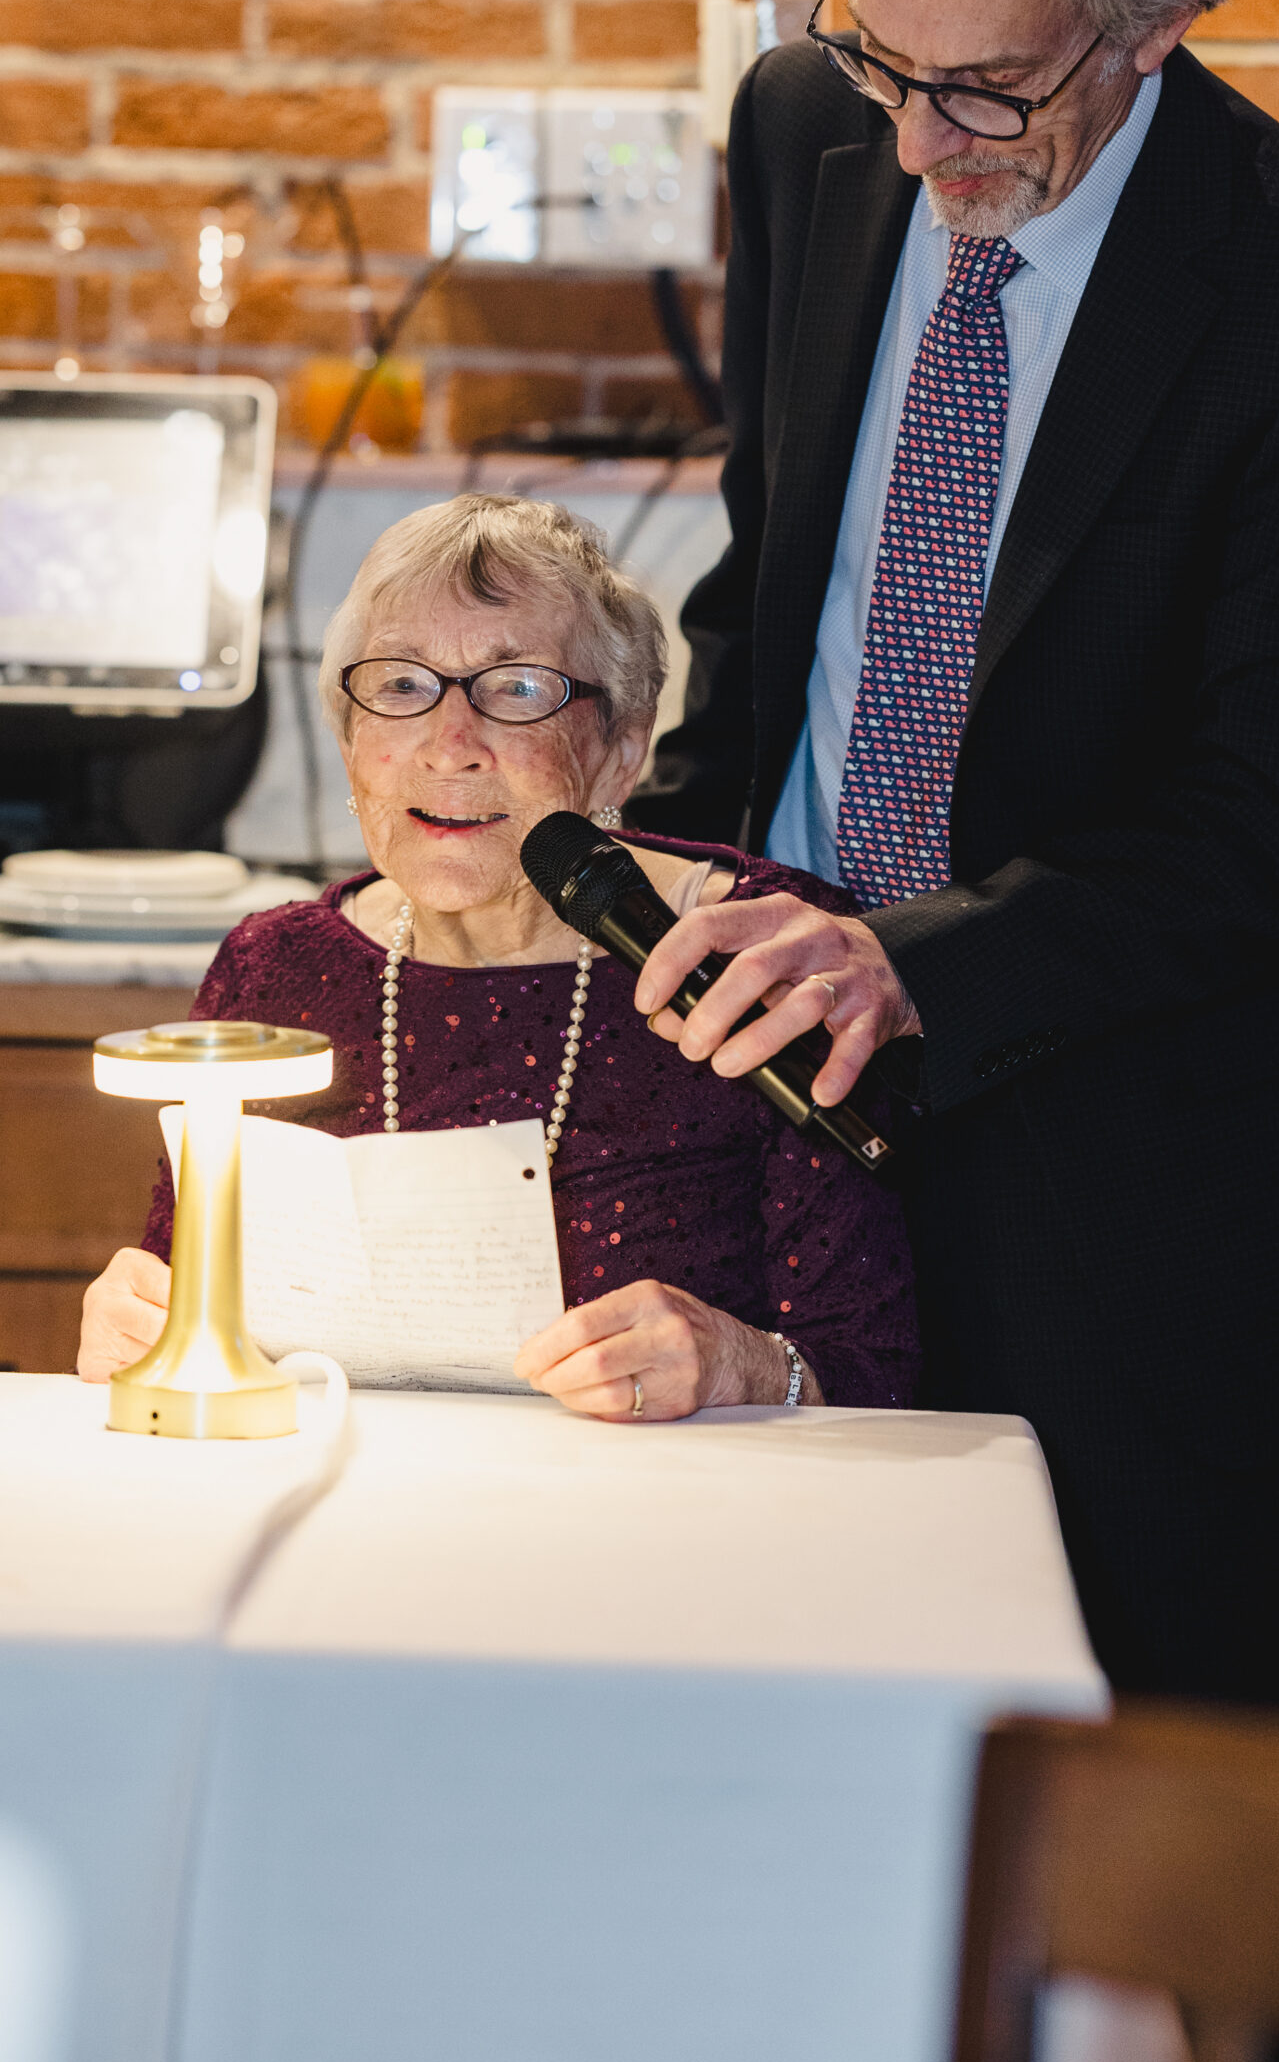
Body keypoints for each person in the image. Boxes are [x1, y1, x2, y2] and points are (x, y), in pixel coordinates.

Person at [630, 0, 1279, 1701]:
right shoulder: (801, 129)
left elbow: (1274, 839)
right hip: (771, 1119)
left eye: (986, 90)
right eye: (881, 60)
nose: (917, 143)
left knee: (1135, 1840)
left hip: (1126, 1207)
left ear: (1153, 23)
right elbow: (780, 577)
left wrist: (908, 958)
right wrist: (651, 855)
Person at [79, 494, 916, 1420]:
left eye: (517, 689)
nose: (450, 745)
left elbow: (880, 1370)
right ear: (350, 738)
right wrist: (140, 1325)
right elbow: (175, 1305)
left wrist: (749, 1369)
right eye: (400, 687)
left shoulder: (764, 957)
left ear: (619, 753)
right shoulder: (275, 968)